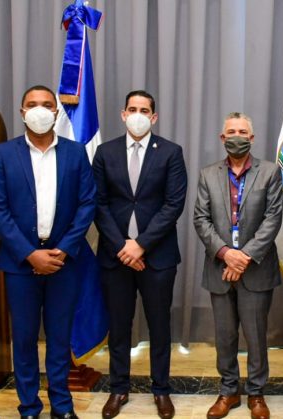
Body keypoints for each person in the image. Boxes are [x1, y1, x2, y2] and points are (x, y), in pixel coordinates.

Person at [0, 85, 96, 419]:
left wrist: (63, 249)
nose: (40, 110)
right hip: (21, 265)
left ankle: (61, 405)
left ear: (56, 112)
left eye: (47, 104)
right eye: (32, 104)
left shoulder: (75, 153)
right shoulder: (4, 153)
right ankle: (29, 407)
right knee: (24, 339)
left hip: (64, 263)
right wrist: (29, 253)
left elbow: (87, 203)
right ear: (22, 112)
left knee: (60, 339)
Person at [93, 90, 187, 419]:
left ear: (154, 117)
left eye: (144, 110)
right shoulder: (105, 152)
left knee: (159, 326)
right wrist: (122, 246)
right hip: (115, 255)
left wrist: (141, 244)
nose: (137, 114)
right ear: (123, 114)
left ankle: (161, 390)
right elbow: (98, 203)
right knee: (119, 326)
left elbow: (173, 204)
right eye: (132, 109)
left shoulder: (171, 152)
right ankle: (119, 388)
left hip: (157, 257)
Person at [193, 112, 283, 419]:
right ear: (222, 138)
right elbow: (201, 219)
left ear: (252, 138)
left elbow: (272, 219)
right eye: (231, 131)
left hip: (255, 268)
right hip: (219, 268)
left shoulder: (269, 172)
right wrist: (225, 253)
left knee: (256, 335)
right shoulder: (207, 174)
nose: (237, 136)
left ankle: (256, 393)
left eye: (242, 132)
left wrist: (242, 256)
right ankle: (229, 390)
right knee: (225, 335)